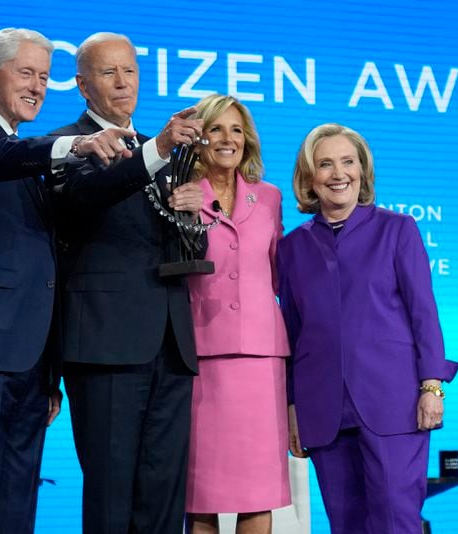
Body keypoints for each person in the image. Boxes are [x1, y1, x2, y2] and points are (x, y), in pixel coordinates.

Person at [0, 27, 134, 533]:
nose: (38, 86)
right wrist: (73, 143)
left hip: (31, 360)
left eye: (44, 77)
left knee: (18, 506)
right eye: (26, 73)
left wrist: (51, 369)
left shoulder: (26, 154)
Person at [50, 32, 205, 533]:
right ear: (82, 85)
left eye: (130, 71)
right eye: (108, 72)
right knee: (111, 496)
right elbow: (87, 195)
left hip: (171, 344)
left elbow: (185, 249)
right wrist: (158, 148)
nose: (123, 83)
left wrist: (193, 221)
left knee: (165, 496)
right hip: (105, 347)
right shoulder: (68, 145)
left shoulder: (160, 155)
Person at [277, 123, 458, 534]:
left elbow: (423, 313)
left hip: (393, 403)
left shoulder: (397, 229)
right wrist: (290, 405)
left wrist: (432, 385)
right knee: (346, 526)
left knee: (396, 521)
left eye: (348, 162)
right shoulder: (292, 248)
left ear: (362, 171)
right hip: (322, 409)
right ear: (309, 178)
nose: (338, 173)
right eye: (325, 164)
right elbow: (290, 331)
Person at [183, 94, 291, 534]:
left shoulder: (269, 197)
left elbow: (278, 273)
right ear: (198, 137)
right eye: (217, 129)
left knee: (256, 494)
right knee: (201, 497)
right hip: (200, 358)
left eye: (237, 130)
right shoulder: (181, 193)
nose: (228, 139)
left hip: (261, 362)